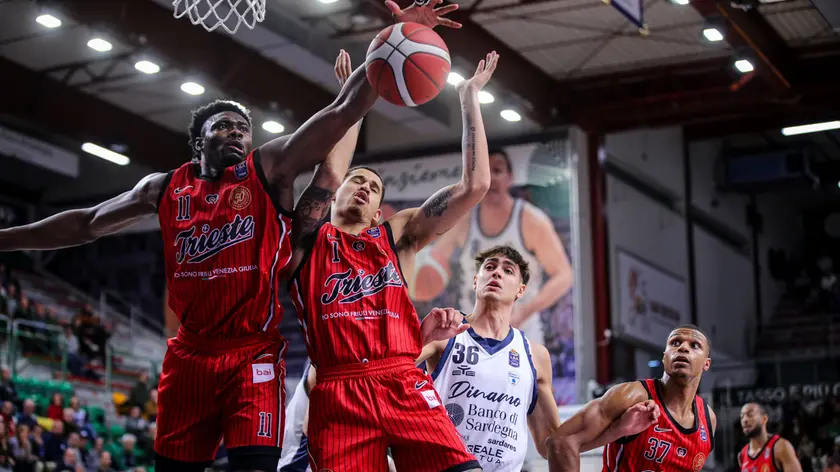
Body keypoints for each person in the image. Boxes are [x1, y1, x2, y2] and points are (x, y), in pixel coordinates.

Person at [0, 13, 410, 472]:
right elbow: (87, 222)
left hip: (253, 351)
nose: (237, 132)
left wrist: (390, 47)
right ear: (198, 141)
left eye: (243, 128)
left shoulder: (267, 168)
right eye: (224, 126)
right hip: (190, 355)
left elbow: (342, 112)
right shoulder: (162, 188)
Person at [287, 42, 497, 470]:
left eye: (374, 187)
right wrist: (352, 100)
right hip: (338, 391)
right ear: (334, 195)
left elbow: (473, 187)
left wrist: (469, 99)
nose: (363, 187)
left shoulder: (396, 236)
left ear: (381, 209)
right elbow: (327, 172)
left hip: (402, 380)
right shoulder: (304, 238)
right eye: (356, 180)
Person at [419, 245, 659, 471]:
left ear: (520, 290)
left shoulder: (535, 355)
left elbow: (553, 444)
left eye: (508, 270)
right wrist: (422, 335)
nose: (497, 273)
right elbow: (390, 366)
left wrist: (617, 430)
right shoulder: (446, 331)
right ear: (475, 281)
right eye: (490, 267)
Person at [412, 150, 573, 346]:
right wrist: (417, 277)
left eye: (497, 170)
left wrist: (525, 311)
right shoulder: (463, 219)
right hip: (473, 333)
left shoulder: (531, 220)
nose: (491, 178)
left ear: (510, 178)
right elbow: (434, 260)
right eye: (485, 172)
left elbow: (564, 275)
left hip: (520, 331)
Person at [545, 324, 718, 472]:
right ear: (664, 357)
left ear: (706, 364)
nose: (683, 348)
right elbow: (561, 441)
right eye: (675, 343)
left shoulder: (707, 420)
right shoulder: (632, 396)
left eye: (694, 345)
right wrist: (617, 430)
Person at [739, 402, 802, 472]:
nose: (745, 420)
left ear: (764, 419)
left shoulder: (780, 447)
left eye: (750, 415)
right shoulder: (742, 455)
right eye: (742, 416)